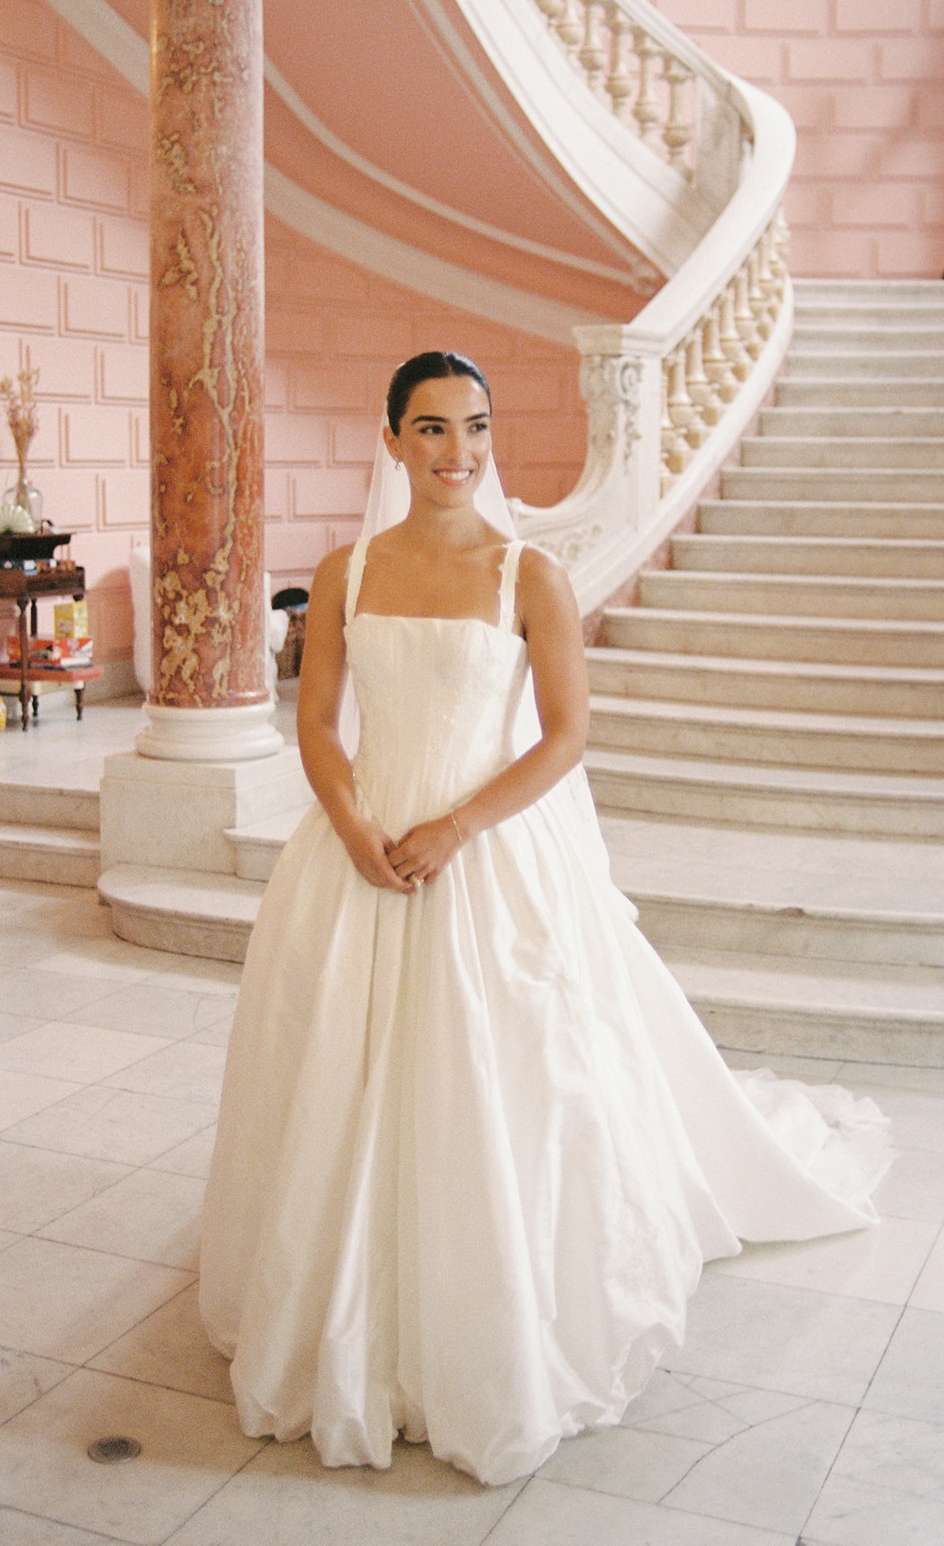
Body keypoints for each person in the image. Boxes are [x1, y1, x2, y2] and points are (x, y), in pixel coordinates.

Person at [199, 350, 891, 1486]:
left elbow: (564, 736)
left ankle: (487, 1309)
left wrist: (456, 828)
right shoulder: (345, 570)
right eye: (430, 429)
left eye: (474, 427)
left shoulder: (531, 575)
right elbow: (317, 720)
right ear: (391, 439)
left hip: (482, 853)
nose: (457, 452)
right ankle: (347, 1297)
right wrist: (355, 821)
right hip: (358, 851)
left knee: (487, 1080)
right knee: (341, 1078)